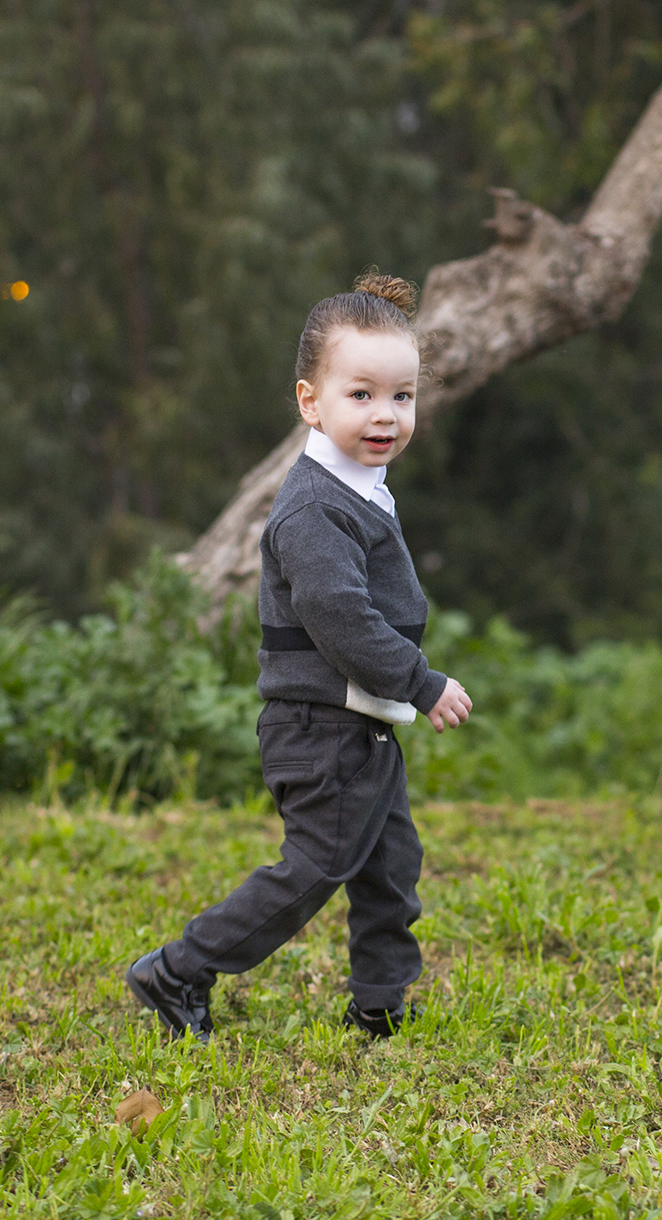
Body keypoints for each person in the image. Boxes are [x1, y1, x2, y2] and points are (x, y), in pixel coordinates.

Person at [125, 271, 473, 1041]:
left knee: (391, 868)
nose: (385, 414)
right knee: (314, 869)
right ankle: (178, 969)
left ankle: (380, 1006)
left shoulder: (361, 487)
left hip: (360, 725)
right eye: (361, 395)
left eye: (402, 396)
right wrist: (420, 681)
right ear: (310, 401)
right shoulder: (314, 505)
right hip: (319, 730)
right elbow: (337, 615)